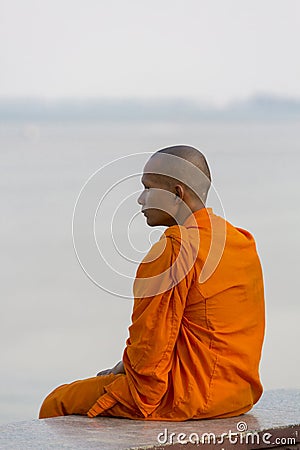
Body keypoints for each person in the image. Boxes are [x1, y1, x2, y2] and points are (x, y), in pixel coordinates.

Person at [39, 145, 265, 421]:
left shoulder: (174, 249)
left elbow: (150, 353)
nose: (140, 200)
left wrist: (127, 384)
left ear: (176, 194)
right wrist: (122, 365)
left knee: (57, 402)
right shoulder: (240, 240)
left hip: (186, 399)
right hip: (238, 396)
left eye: (148, 188)